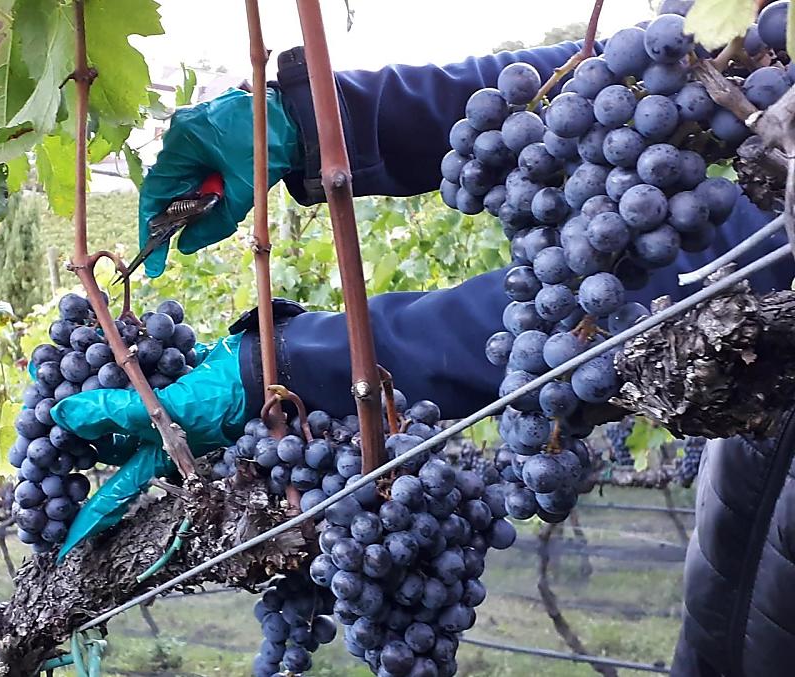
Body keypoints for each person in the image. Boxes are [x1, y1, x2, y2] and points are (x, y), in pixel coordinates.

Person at [51, 39, 795, 677]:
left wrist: (294, 366)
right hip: (751, 527)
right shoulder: (748, 36)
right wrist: (319, 121)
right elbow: (626, 82)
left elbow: (688, 277)